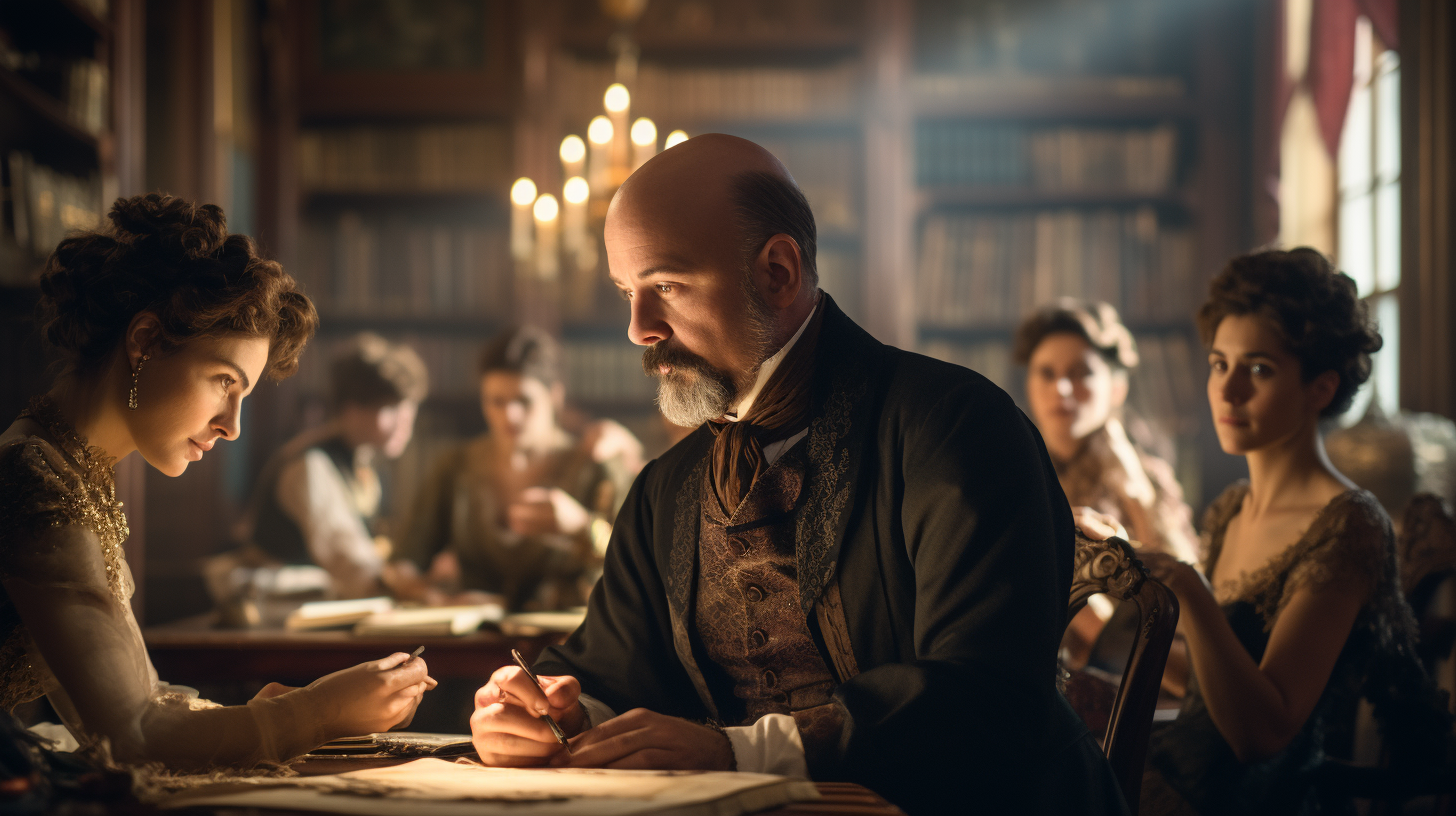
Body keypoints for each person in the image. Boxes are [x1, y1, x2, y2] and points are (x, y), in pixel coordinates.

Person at [467, 135, 1126, 815]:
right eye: (628, 292)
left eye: (666, 285)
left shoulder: (957, 428)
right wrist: (548, 712)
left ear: (778, 271)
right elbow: (607, 667)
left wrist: (739, 753)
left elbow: (988, 692)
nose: (638, 328)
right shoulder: (665, 486)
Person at [0, 194, 433, 770]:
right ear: (146, 341)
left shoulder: (73, 471)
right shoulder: (34, 476)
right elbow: (132, 737)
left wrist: (295, 708)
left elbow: (140, 704)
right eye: (223, 382)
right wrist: (317, 712)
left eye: (243, 398)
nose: (231, 426)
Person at [1134, 248, 1450, 815]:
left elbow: (1263, 733)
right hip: (1177, 780)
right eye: (1219, 363)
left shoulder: (1348, 525)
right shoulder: (1230, 509)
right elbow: (1212, 690)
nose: (1228, 392)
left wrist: (1185, 586)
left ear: (1320, 389)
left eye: (1259, 369)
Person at [1013, 300, 1199, 669]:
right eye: (1046, 373)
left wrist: (1135, 493)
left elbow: (1189, 597)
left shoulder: (1147, 476)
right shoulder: (1012, 474)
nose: (1061, 388)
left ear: (1116, 387)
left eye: (1081, 373)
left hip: (1143, 672)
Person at [398, 326, 639, 611]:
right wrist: (434, 598)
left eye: (524, 401)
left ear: (555, 396)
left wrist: (581, 527)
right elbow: (405, 561)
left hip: (572, 639)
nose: (509, 415)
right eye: (496, 401)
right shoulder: (456, 467)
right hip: (474, 641)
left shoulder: (596, 466)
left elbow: (636, 568)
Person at [238, 333, 427, 599]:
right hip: (274, 605)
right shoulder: (310, 465)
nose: (405, 423)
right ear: (351, 409)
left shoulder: (364, 466)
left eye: (409, 409)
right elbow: (344, 554)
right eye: (391, 408)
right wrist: (412, 588)